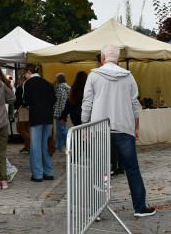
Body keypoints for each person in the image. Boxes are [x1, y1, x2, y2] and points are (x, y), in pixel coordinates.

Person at [81, 44, 156, 217]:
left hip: (100, 128)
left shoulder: (94, 76)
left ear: (103, 58)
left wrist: (84, 125)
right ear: (117, 58)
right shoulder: (128, 76)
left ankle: (96, 211)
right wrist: (136, 126)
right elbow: (134, 103)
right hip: (123, 127)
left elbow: (87, 103)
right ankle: (139, 207)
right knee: (132, 168)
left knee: (98, 169)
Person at [22, 63, 55, 182]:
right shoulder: (47, 83)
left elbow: (25, 101)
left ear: (29, 72)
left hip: (36, 117)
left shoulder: (28, 83)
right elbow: (54, 99)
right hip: (48, 117)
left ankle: (37, 174)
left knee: (36, 146)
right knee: (47, 144)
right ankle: (49, 172)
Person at [53, 73, 70, 152]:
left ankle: (73, 141)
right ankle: (59, 147)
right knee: (61, 129)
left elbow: (57, 102)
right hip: (66, 112)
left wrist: (55, 113)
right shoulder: (68, 88)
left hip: (60, 112)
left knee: (60, 130)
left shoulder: (59, 88)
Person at [13, 75, 30, 153]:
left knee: (20, 129)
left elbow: (17, 100)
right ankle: (27, 147)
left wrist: (16, 108)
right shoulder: (30, 87)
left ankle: (31, 143)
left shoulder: (20, 88)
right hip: (29, 109)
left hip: (22, 109)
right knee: (26, 129)